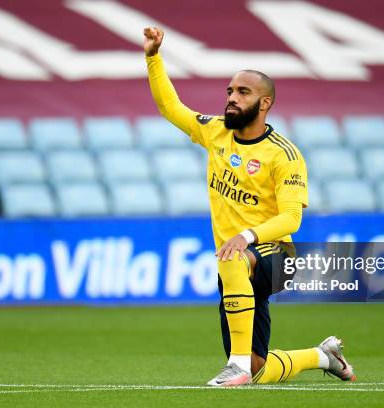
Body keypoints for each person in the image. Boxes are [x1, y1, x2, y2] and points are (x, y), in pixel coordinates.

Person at [143, 26, 356, 387]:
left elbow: (292, 217)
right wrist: (153, 58)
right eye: (229, 91)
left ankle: (236, 364)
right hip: (236, 264)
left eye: (243, 92)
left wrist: (245, 236)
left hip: (278, 256)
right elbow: (170, 107)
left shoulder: (284, 155)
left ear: (265, 102)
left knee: (231, 261)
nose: (232, 98)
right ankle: (323, 356)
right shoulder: (215, 132)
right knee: (260, 369)